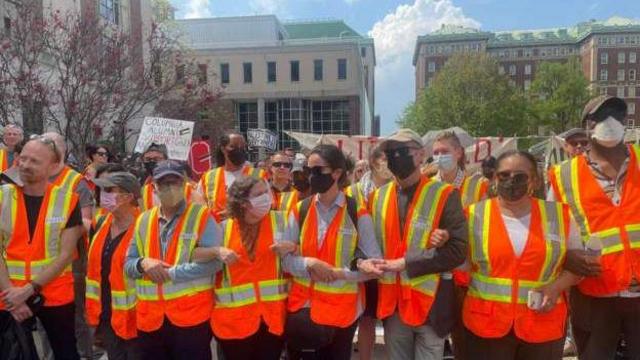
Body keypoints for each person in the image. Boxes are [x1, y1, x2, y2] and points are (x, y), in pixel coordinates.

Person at [463, 150, 581, 360]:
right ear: (494, 180)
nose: (511, 181)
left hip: (543, 324)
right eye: (504, 175)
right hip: (488, 326)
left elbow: (577, 267)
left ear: (534, 181)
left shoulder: (560, 216)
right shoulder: (472, 215)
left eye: (520, 176)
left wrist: (556, 287)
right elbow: (459, 268)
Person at [548, 95, 640, 360]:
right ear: (587, 126)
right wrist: (566, 256)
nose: (610, 121)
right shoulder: (563, 174)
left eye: (617, 114)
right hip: (593, 294)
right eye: (600, 116)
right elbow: (550, 233)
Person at [370, 129, 468, 360]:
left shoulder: (445, 194)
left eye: (402, 151)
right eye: (390, 153)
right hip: (393, 306)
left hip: (431, 305)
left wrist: (405, 263)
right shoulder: (377, 197)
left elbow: (457, 250)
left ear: (421, 155)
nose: (395, 157)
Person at [282, 144, 383, 360]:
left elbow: (375, 266)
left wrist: (340, 274)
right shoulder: (300, 210)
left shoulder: (357, 213)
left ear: (337, 173)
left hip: (342, 316)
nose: (311, 176)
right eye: (308, 170)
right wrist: (309, 263)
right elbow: (284, 261)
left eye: (318, 170)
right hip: (303, 314)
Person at [125, 160, 221, 360]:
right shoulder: (143, 220)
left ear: (185, 183)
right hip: (150, 321)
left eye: (175, 182)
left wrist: (170, 274)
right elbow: (128, 264)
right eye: (164, 183)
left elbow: (215, 263)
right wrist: (143, 263)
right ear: (154, 188)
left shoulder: (202, 216)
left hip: (191, 320)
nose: (170, 188)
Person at [0, 136, 83, 359]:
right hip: (8, 292)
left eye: (34, 161)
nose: (25, 165)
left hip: (54, 293)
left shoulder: (68, 200)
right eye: (23, 158)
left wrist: (28, 290)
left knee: (66, 351)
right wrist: (11, 295)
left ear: (54, 166)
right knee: (12, 351)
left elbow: (66, 255)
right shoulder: (2, 196)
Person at [193, 177, 293, 360]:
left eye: (266, 191)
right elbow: (192, 254)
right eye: (259, 194)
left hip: (272, 319)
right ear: (244, 202)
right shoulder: (222, 228)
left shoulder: (283, 220)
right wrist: (217, 251)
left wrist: (293, 247)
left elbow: (305, 248)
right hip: (232, 324)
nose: (266, 197)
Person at [42, 132, 96, 358]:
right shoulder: (33, 178)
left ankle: (84, 353)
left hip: (73, 260)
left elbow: (86, 223)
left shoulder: (75, 182)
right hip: (40, 261)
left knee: (76, 313)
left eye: (47, 146)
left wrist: (56, 226)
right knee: (45, 312)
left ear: (60, 151)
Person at [86, 172, 141, 360]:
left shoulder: (145, 227)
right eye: (102, 190)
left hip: (137, 322)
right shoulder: (101, 222)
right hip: (107, 317)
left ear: (128, 197)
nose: (103, 195)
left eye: (109, 190)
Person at [198, 131, 266, 220]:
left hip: (247, 229)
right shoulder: (208, 177)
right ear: (223, 149)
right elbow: (199, 207)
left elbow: (266, 205)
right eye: (233, 146)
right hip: (218, 230)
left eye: (242, 147)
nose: (239, 150)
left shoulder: (258, 175)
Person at [432, 131, 489, 208]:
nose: (439, 157)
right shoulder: (427, 187)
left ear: (459, 153)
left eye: (445, 151)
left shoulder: (479, 188)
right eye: (435, 153)